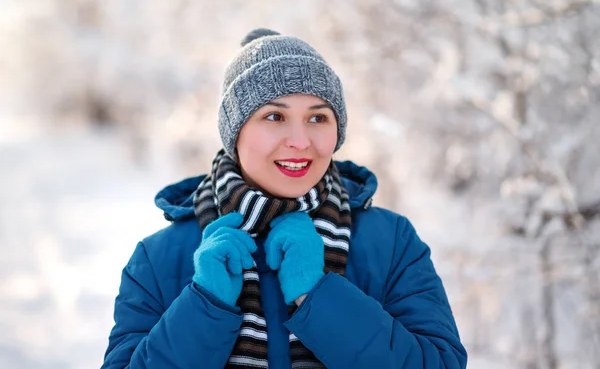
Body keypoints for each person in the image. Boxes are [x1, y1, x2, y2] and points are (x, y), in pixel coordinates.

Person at [101, 28, 468, 369]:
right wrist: (205, 306)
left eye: (318, 118)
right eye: (274, 116)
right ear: (235, 132)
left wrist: (319, 297)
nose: (300, 140)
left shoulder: (391, 243)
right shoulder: (158, 258)